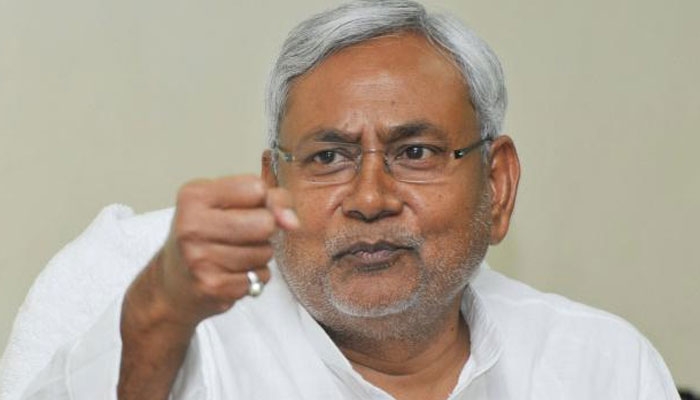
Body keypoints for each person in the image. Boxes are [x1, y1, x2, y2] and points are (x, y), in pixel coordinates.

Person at [18, 1, 680, 399]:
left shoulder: (599, 366)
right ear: (274, 187)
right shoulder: (190, 347)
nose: (369, 198)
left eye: (414, 152)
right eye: (328, 157)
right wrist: (155, 317)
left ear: (498, 185)